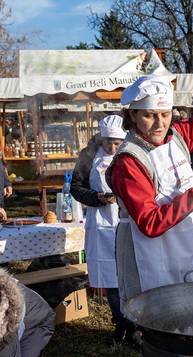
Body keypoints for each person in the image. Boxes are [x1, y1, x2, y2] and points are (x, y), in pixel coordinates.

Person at [106, 50, 193, 302]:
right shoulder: (129, 161)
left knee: (192, 303)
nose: (159, 124)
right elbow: (149, 223)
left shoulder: (177, 135)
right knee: (154, 313)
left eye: (165, 114)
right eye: (149, 115)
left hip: (183, 242)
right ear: (133, 115)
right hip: (147, 250)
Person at [70, 114, 132, 342]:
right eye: (108, 143)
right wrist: (96, 197)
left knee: (129, 273)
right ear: (100, 139)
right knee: (109, 277)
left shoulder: (131, 154)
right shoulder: (88, 156)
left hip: (127, 220)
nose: (112, 147)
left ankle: (134, 325)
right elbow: (75, 188)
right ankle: (119, 324)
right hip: (100, 222)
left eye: (117, 144)